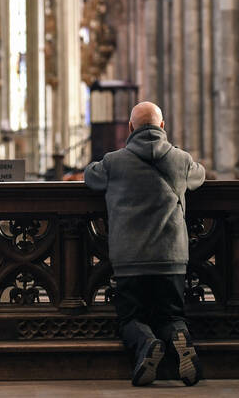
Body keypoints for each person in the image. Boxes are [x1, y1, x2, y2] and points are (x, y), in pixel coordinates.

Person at [84, 101, 205, 386]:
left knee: (130, 318)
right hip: (171, 257)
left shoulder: (114, 162)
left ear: (130, 128)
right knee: (171, 314)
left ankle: (146, 342)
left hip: (130, 259)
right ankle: (179, 336)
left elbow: (90, 176)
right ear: (162, 127)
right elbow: (200, 175)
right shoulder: (181, 159)